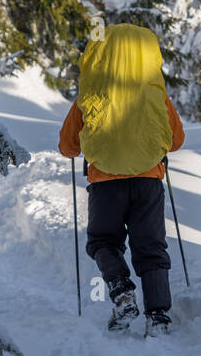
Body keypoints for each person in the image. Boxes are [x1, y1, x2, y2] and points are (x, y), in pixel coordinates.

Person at [58, 24, 185, 335]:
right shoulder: (155, 95)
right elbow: (177, 139)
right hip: (149, 181)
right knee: (151, 247)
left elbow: (67, 147)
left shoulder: (90, 94)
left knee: (103, 241)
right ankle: (158, 317)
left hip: (105, 182)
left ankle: (122, 292)